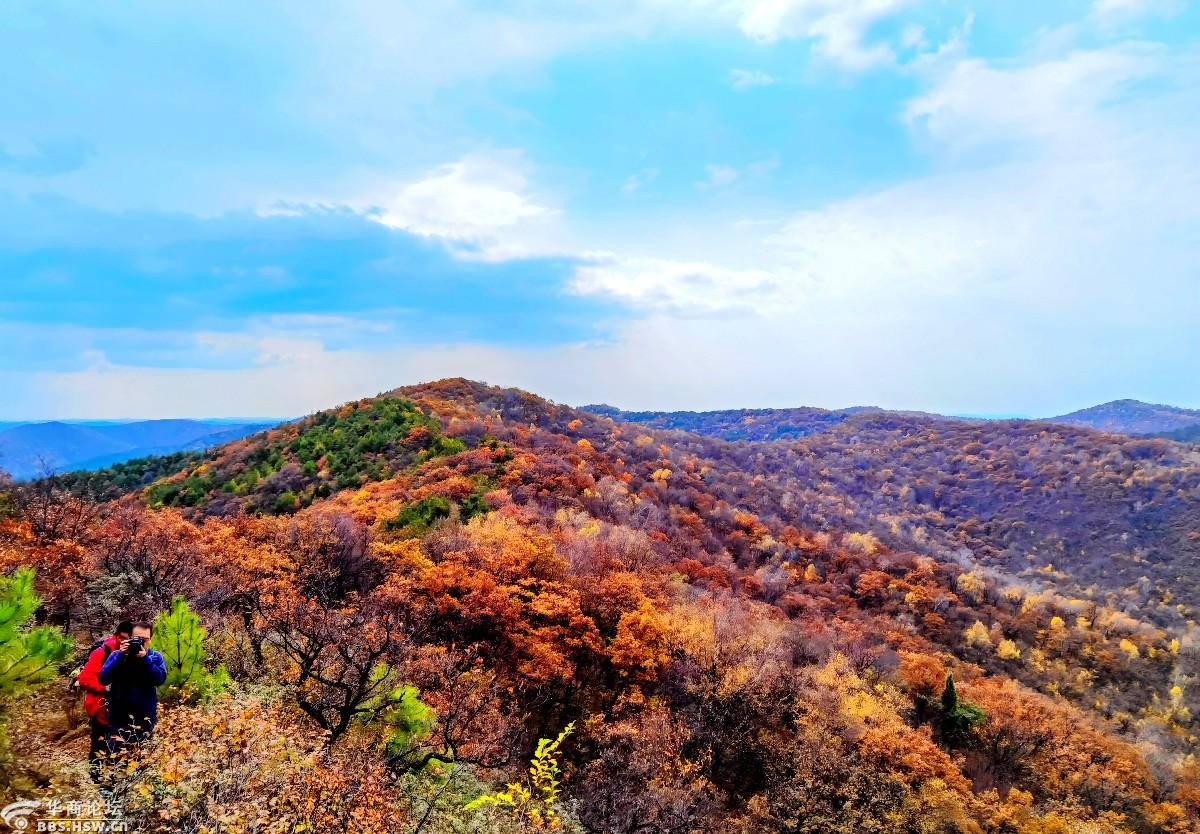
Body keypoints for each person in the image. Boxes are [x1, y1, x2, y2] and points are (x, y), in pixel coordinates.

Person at [97, 621, 167, 753]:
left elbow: (159, 680)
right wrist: (120, 656)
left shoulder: (155, 657)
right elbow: (103, 679)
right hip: (118, 721)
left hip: (145, 721)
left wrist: (145, 660)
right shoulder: (117, 655)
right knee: (116, 763)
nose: (140, 643)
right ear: (129, 638)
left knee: (143, 763)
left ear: (150, 640)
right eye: (136, 639)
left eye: (144, 640)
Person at [76, 620, 133, 780]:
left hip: (122, 707)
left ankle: (117, 779)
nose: (124, 642)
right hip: (100, 705)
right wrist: (106, 688)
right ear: (116, 635)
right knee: (99, 742)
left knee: (120, 743)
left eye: (128, 639)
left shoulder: (134, 653)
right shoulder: (102, 652)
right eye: (122, 638)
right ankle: (95, 778)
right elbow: (85, 678)